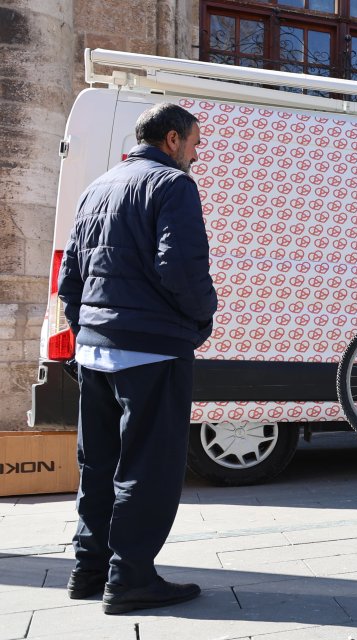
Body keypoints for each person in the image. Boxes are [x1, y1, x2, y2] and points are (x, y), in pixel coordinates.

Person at [58, 102, 218, 614]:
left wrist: (86, 330)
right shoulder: (173, 186)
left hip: (95, 350)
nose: (197, 154)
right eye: (194, 143)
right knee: (147, 466)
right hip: (150, 349)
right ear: (172, 139)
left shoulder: (98, 186)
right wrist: (201, 319)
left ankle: (89, 569)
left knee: (98, 463)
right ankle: (129, 580)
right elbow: (181, 267)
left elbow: (71, 279)